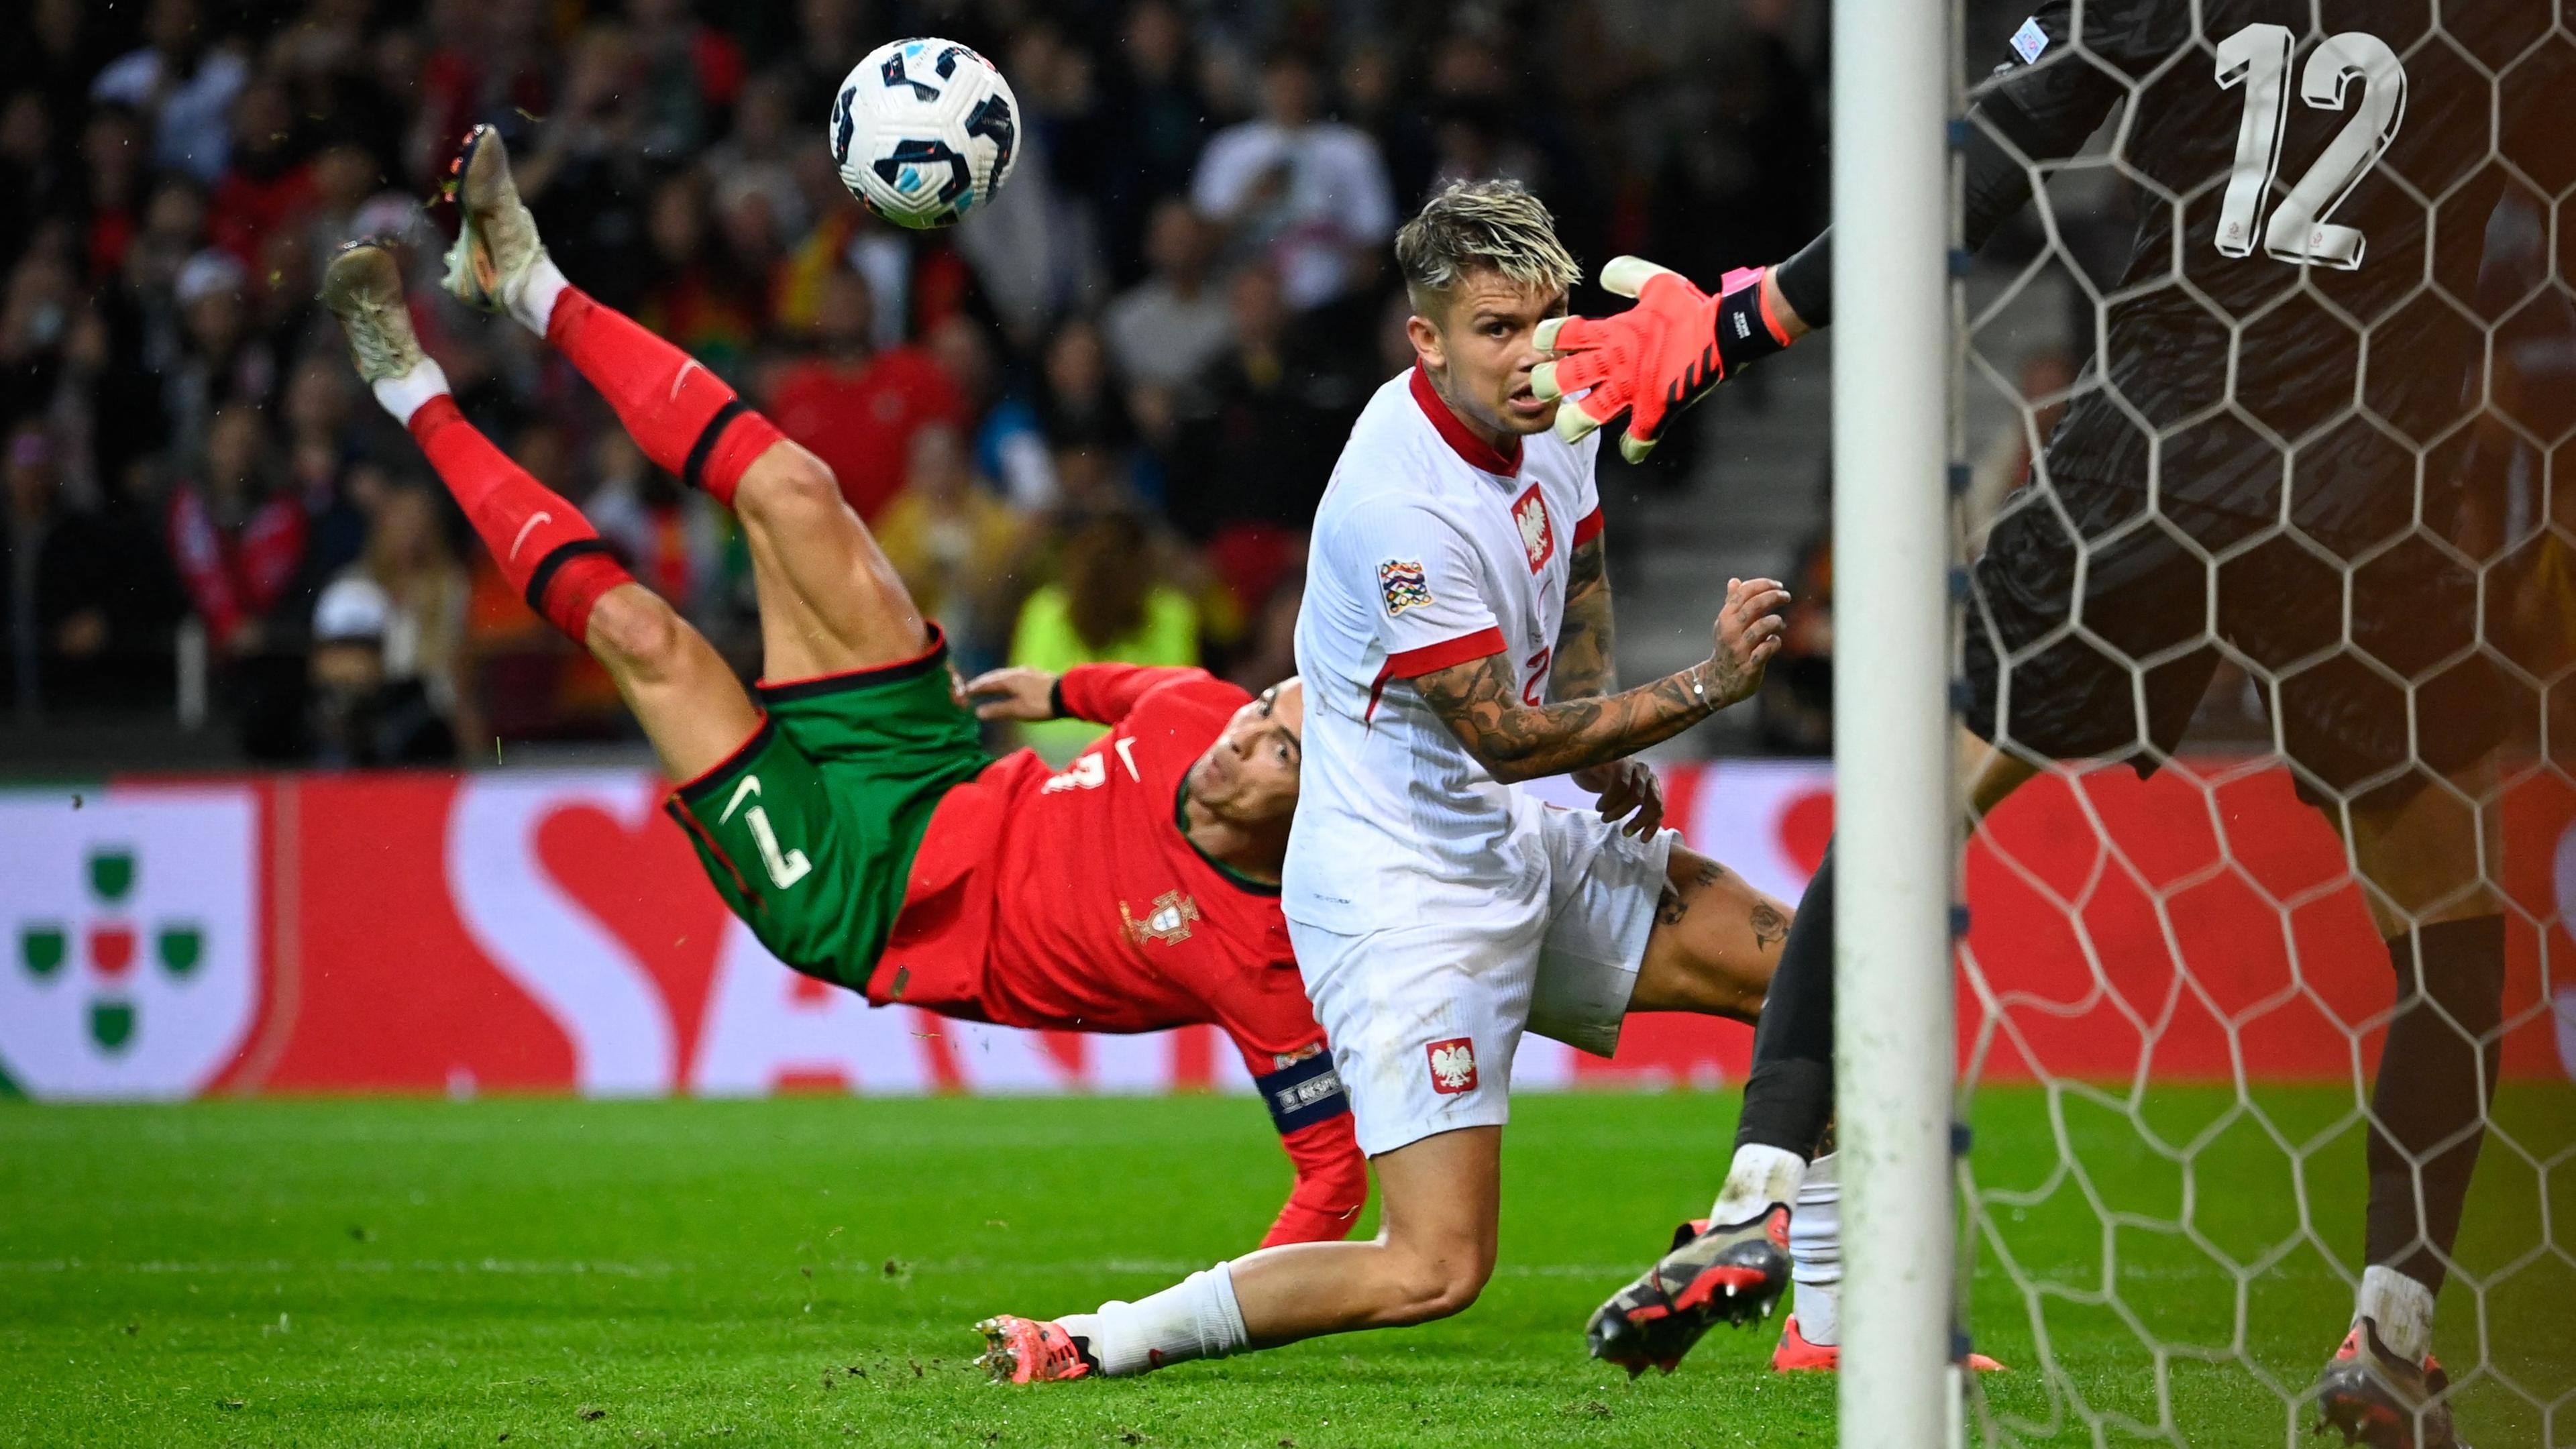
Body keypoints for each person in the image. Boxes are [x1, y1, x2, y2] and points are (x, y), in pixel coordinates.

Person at [1536, 3, 2571, 1438]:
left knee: (1913, 814)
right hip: (2361, 504)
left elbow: (1966, 165)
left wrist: (1741, 320)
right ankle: (2392, 1325)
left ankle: (1759, 1195)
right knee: (2447, 917)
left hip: (2141, 472)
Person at [327, 124, 1366, 1250]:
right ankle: (524, 276)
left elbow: (1331, 1186)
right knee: (793, 486)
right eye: (1268, 709)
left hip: (853, 902)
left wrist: (1196, 1319)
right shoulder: (1206, 713)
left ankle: (411, 391)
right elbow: (1149, 689)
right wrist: (1059, 688)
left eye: (1280, 750)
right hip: (933, 765)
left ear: (1309, 815)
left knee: (646, 635)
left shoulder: (1264, 961)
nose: (1244, 735)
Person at [973, 179, 1793, 1386]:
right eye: (1495, 332)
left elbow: (1582, 557)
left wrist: (1604, 718)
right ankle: (1099, 1339)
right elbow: (1504, 739)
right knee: (1434, 1269)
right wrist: (1708, 687)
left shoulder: (1565, 405)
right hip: (1401, 900)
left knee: (1817, 976)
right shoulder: (1396, 504)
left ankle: (1811, 1317)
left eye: (1546, 322)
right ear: (1428, 340)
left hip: (1502, 843)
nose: (1532, 359)